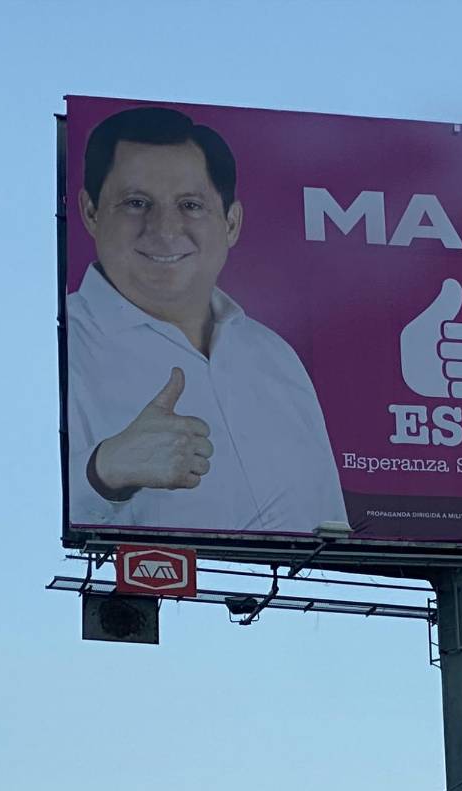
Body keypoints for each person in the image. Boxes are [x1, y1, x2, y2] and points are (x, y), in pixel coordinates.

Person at [66, 106, 346, 535]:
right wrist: (103, 471)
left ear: (231, 223)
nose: (164, 229)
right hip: (156, 596)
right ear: (90, 212)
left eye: (191, 205)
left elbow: (328, 525)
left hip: (285, 601)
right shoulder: (64, 342)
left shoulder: (273, 356)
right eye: (136, 203)